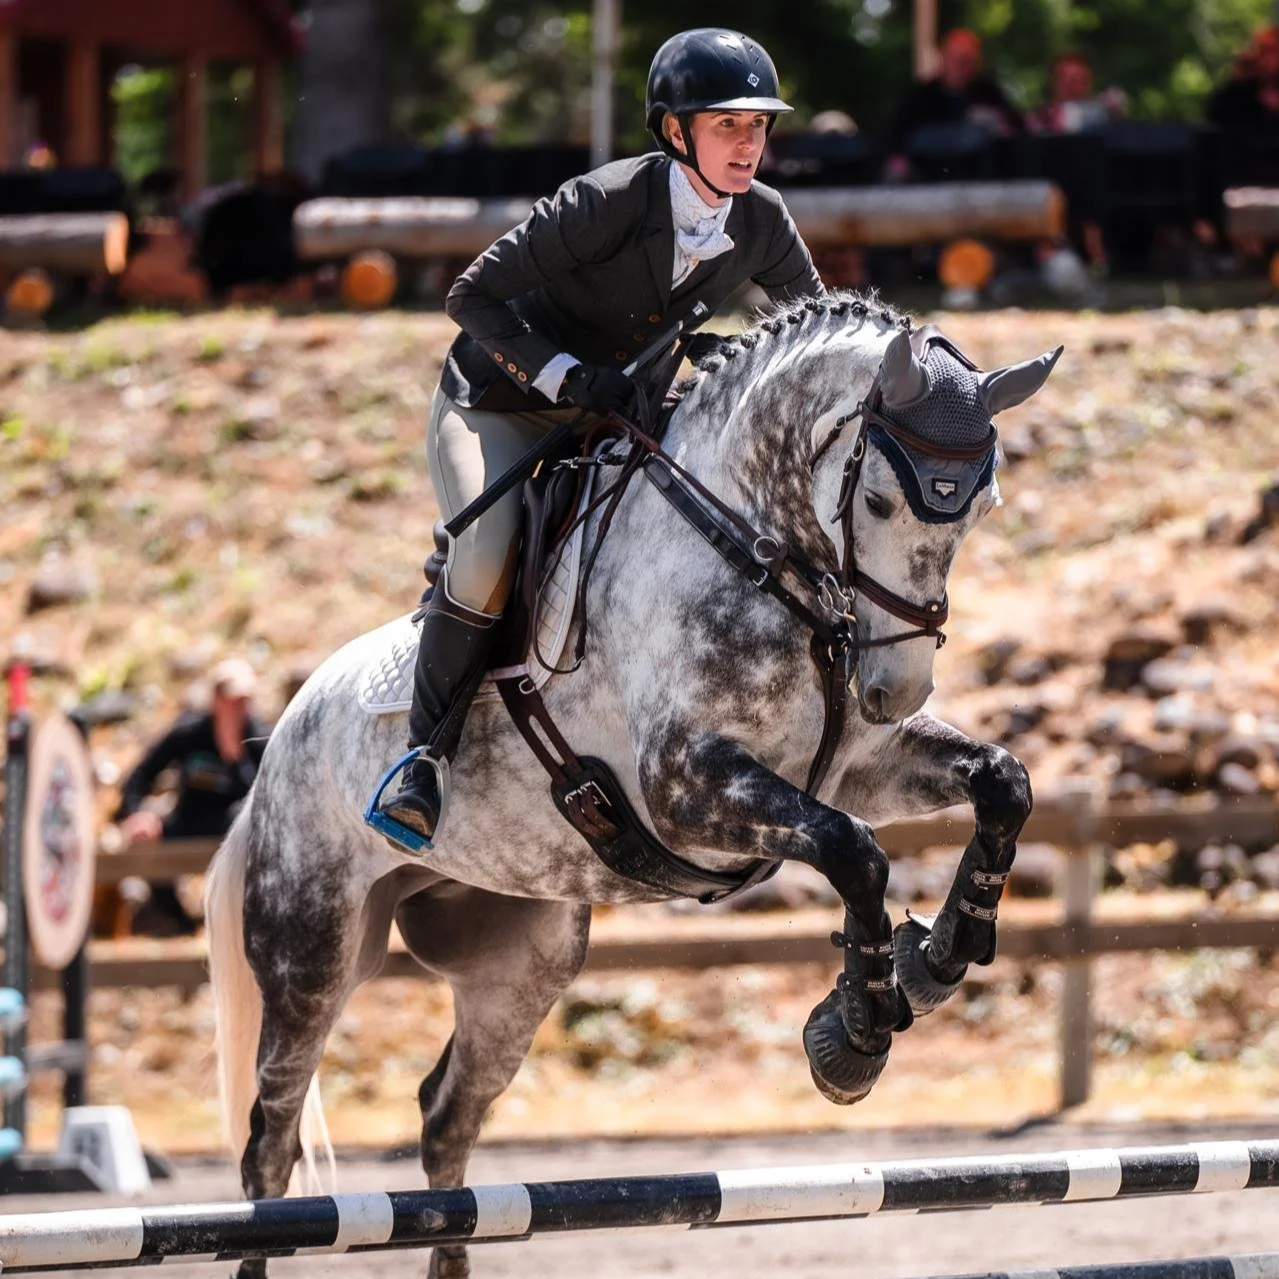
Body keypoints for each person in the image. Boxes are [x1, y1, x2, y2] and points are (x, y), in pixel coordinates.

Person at [374, 27, 824, 846]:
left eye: (757, 126)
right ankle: (422, 759)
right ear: (674, 131)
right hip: (500, 403)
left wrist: (739, 357)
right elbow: (472, 297)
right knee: (483, 557)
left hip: (623, 410)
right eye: (726, 124)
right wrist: (568, 378)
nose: (748, 143)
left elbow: (815, 332)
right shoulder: (605, 202)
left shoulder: (761, 220)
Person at [114, 658, 269, 934]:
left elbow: (265, 799)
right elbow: (137, 777)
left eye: (244, 701)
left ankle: (237, 923)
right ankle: (182, 925)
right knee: (147, 844)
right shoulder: (189, 733)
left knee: (246, 824)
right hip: (191, 820)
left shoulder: (258, 738)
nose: (239, 709)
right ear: (216, 701)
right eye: (232, 701)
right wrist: (137, 814)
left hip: (235, 829)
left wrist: (235, 759)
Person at [885, 28, 1023, 177]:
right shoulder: (919, 96)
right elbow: (893, 134)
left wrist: (995, 123)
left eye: (967, 60)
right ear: (943, 57)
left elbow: (1016, 128)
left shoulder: (989, 94)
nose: (961, 66)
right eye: (956, 59)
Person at [1026, 51, 1127, 134]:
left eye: (1082, 81)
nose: (1074, 86)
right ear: (1053, 82)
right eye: (1068, 80)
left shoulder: (1105, 115)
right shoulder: (1037, 119)